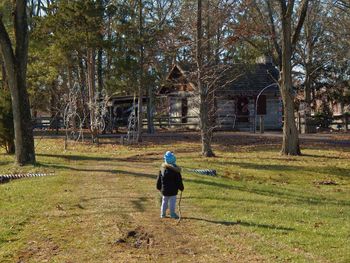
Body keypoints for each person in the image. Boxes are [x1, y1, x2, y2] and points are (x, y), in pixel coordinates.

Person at [156, 151, 184, 219]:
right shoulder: (176, 171)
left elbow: (159, 179)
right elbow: (179, 181)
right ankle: (172, 214)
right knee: (172, 202)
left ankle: (162, 214)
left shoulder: (162, 169)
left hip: (164, 190)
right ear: (174, 160)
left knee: (164, 201)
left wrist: (158, 187)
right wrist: (181, 187)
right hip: (173, 191)